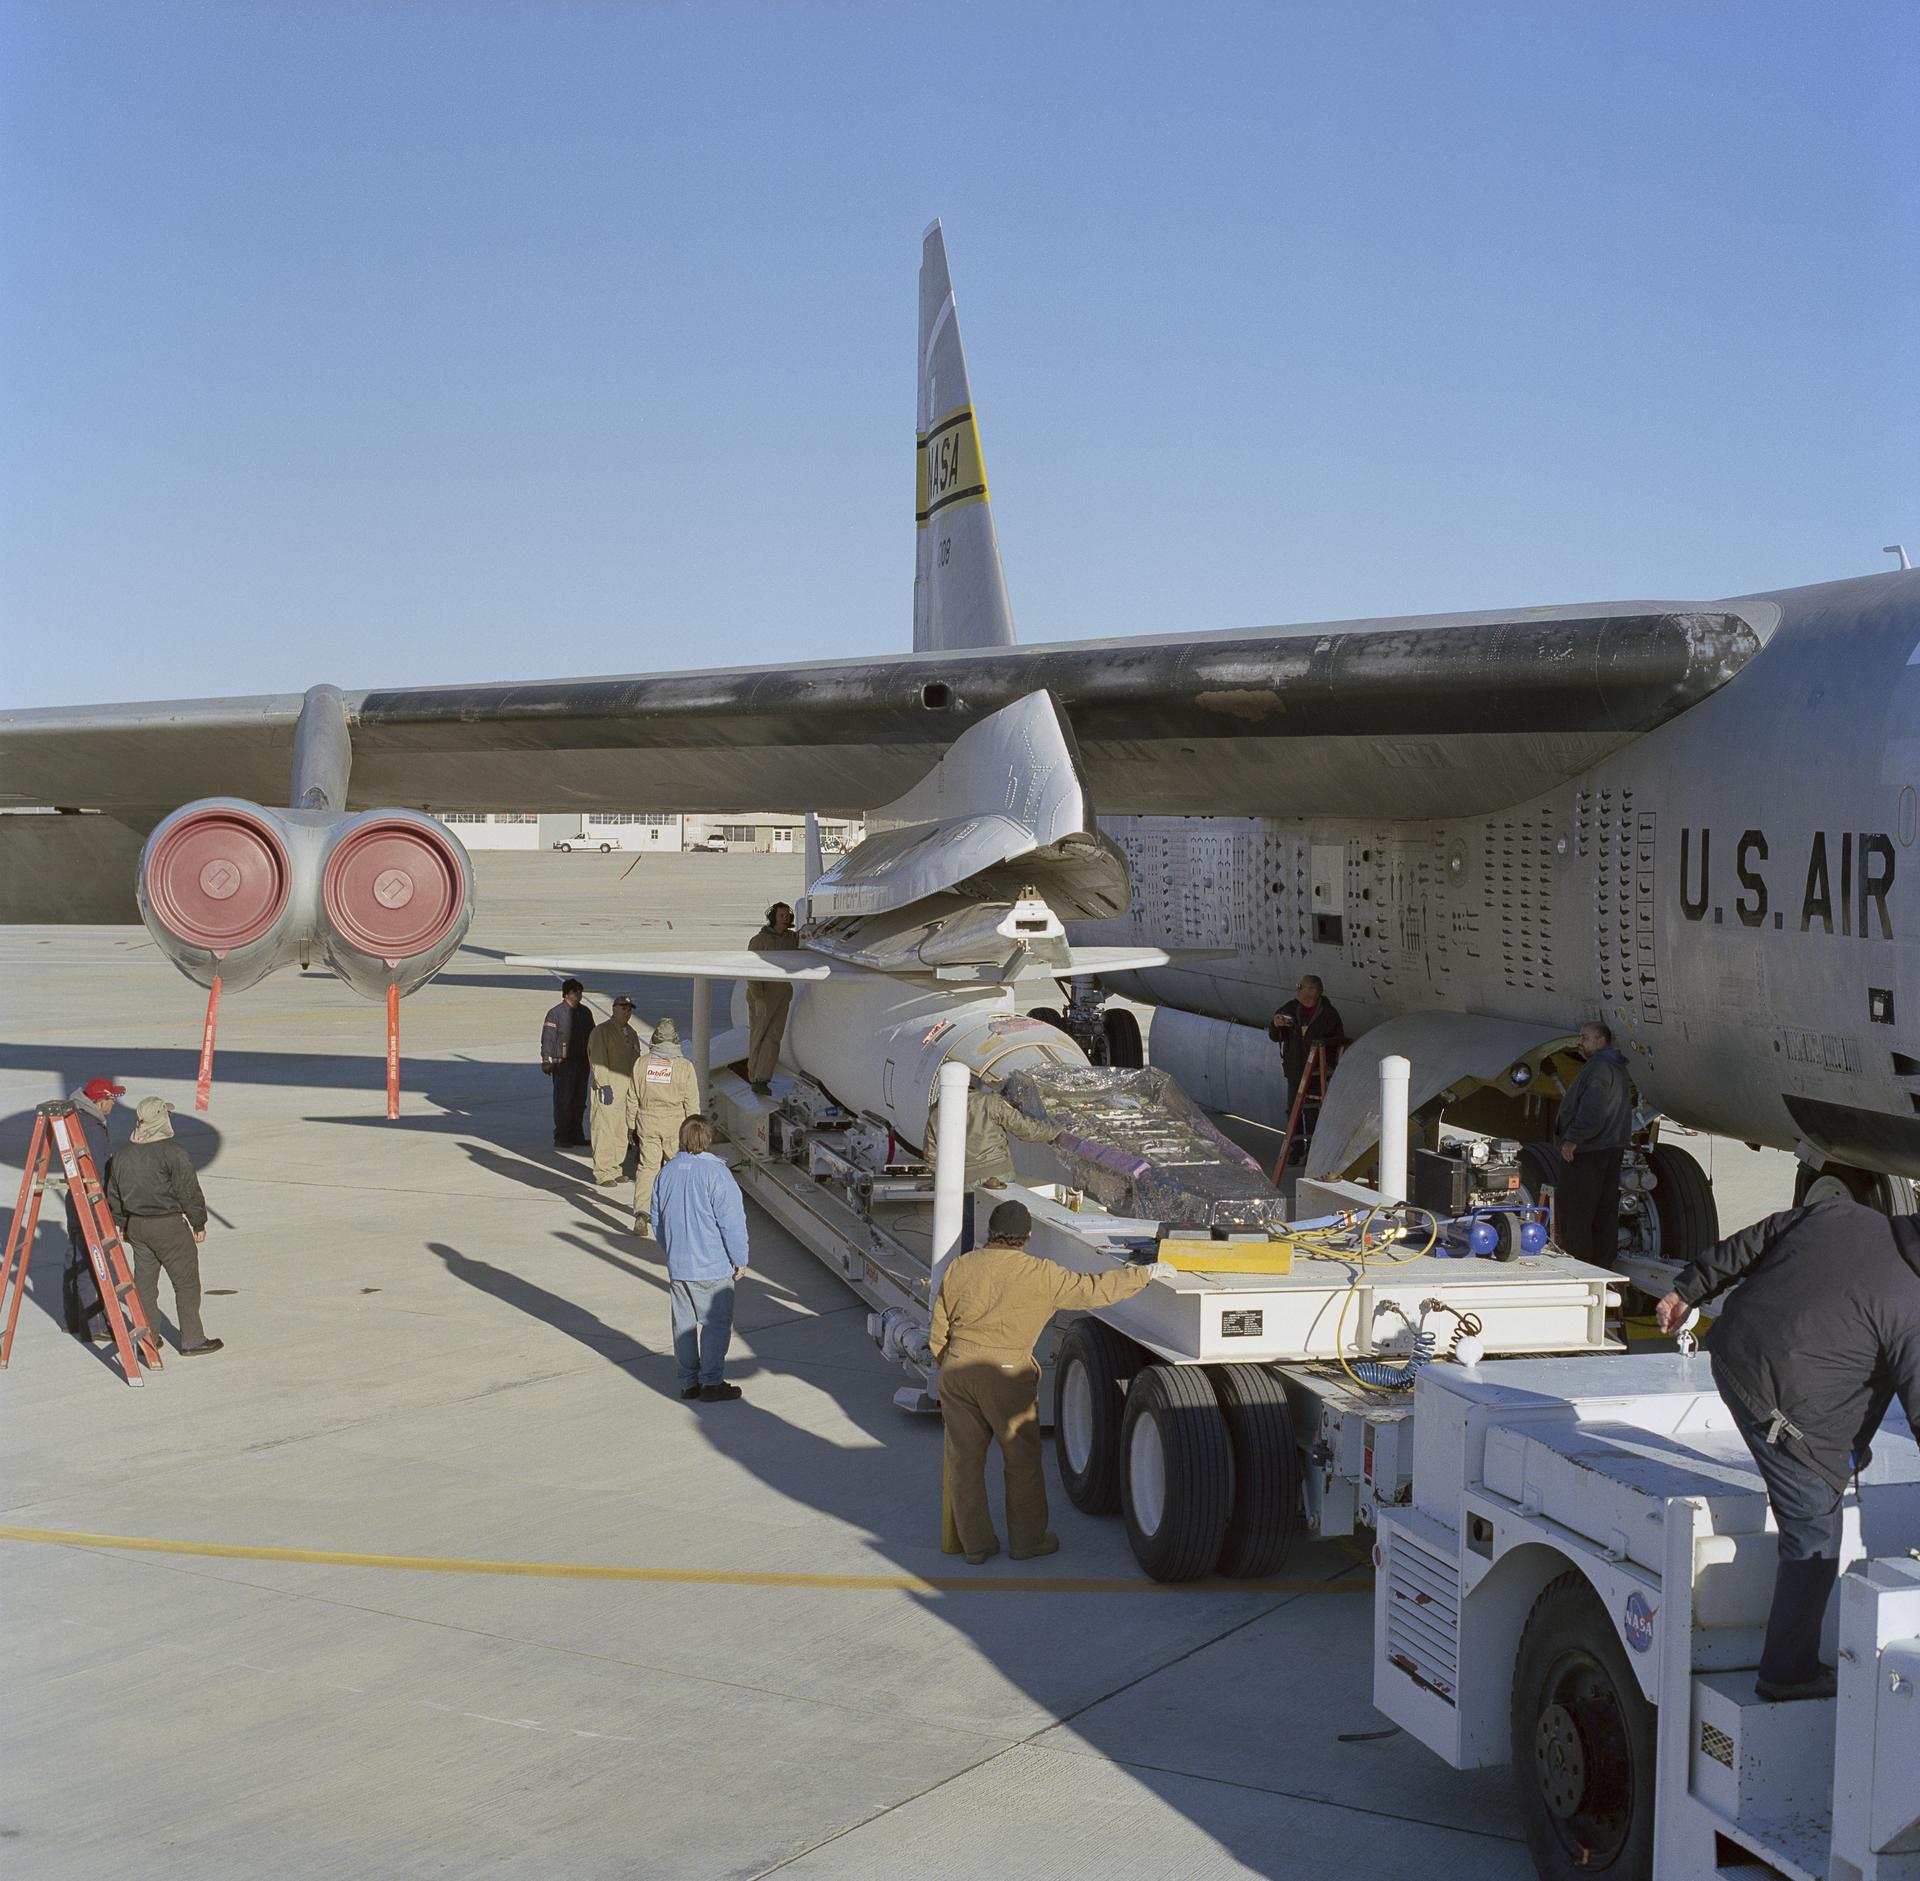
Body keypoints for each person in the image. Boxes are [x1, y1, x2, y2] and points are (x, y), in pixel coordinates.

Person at [1655, 1199, 1920, 1701]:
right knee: (1815, 1530)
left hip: (1732, 1346)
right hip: (1775, 1399)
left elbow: (1751, 1242)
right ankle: (1787, 1673)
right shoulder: (1913, 1308)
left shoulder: (1839, 1213)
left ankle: (1833, 1456)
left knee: (1830, 1458)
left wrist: (1686, 1290)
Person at [931, 1200, 1165, 1565]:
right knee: (1020, 1461)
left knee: (964, 1462)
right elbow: (1094, 1290)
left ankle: (975, 1545)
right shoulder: (1042, 1274)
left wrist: (951, 1362)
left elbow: (938, 1329)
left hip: (957, 1368)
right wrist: (1145, 1275)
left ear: (990, 1232)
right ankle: (1027, 1541)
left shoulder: (961, 1266)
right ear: (1028, 1236)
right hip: (1006, 1373)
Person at [104, 1097, 222, 1356]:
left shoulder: (122, 1155)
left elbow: (113, 1194)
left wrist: (122, 1223)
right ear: (161, 1118)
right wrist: (198, 1222)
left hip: (137, 1228)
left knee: (145, 1285)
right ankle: (192, 1339)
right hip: (169, 1227)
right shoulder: (173, 1152)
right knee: (186, 1283)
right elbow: (188, 1190)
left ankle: (148, 1339)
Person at [652, 1115, 750, 1401]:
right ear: (709, 1140)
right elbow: (731, 1222)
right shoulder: (717, 1174)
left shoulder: (666, 1173)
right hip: (711, 1266)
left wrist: (672, 1252)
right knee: (715, 1324)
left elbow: (658, 1222)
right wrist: (740, 1258)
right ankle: (711, 1382)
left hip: (679, 1267)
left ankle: (688, 1382)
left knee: (683, 1325)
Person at [921, 1074, 1066, 1247]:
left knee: (967, 1228)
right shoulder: (991, 1102)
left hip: (962, 1183)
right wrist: (1056, 1128)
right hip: (999, 1176)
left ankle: (968, 1268)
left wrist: (945, 1186)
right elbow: (1027, 1130)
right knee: (1003, 1228)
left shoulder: (938, 1112)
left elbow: (931, 1156)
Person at [1547, 1020, 1635, 1267]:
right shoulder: (1614, 1067)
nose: (1579, 1042)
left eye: (1585, 1037)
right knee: (1603, 1214)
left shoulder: (1599, 1068)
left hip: (1589, 1152)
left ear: (1600, 1041)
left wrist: (1572, 1141)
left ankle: (1578, 1267)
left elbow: (1592, 1112)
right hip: (1609, 1149)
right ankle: (1602, 1266)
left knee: (1577, 1215)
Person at [60, 1077, 124, 1341]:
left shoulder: (75, 1117)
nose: (113, 1105)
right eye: (112, 1099)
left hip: (74, 1197)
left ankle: (74, 1320)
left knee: (75, 1256)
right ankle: (94, 1324)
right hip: (90, 1200)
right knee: (92, 1258)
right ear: (100, 1100)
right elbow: (98, 1169)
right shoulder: (93, 1127)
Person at [633, 1017, 702, 1236]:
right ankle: (676, 1214)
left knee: (647, 1168)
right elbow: (692, 1101)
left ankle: (642, 1213)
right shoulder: (684, 1066)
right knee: (677, 1169)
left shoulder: (641, 1064)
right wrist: (694, 1130)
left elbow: (632, 1097)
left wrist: (629, 1125)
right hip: (675, 1124)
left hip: (647, 1121)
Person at [1268, 976, 1343, 1149]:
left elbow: (1337, 1041)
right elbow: (1274, 1035)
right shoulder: (1290, 1008)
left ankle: (1312, 1150)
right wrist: (1276, 1024)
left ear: (1314, 991)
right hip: (1295, 1071)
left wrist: (1327, 1065)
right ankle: (1294, 1149)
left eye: (1301, 986)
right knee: (1292, 1111)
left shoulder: (1329, 1015)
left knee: (1312, 1112)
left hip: (1317, 1072)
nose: (1298, 989)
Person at [586, 995, 644, 1186]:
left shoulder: (631, 1032)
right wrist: (604, 1084)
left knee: (621, 1129)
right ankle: (603, 1172)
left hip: (626, 1089)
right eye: (623, 1008)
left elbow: (637, 1060)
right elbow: (598, 1059)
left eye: (629, 1009)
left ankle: (615, 1167)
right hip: (608, 1088)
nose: (627, 1012)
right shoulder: (601, 1031)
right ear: (614, 1009)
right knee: (604, 1129)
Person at [745, 901, 800, 1094]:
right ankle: (754, 1076)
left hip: (782, 995)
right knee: (759, 1035)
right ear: (773, 917)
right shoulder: (759, 941)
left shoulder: (791, 939)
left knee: (774, 1037)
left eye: (788, 915)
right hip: (763, 995)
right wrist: (758, 997)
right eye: (782, 915)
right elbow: (750, 971)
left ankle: (763, 1078)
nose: (786, 918)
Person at [540, 979, 595, 1149]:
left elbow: (593, 1035)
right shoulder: (555, 1013)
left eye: (580, 990)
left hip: (582, 1062)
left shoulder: (585, 1012)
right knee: (563, 1101)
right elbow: (548, 1037)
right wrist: (545, 1060)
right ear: (566, 993)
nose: (579, 994)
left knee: (579, 1101)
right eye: (575, 991)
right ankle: (562, 1136)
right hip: (563, 1064)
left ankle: (577, 1135)